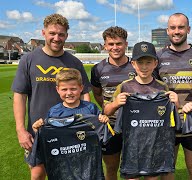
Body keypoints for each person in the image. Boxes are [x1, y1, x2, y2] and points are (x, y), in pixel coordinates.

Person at [11, 13, 91, 180]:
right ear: (43, 33)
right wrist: (20, 130)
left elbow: (84, 94)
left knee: (69, 174)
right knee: (37, 174)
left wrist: (85, 123)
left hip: (70, 131)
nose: (56, 38)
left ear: (66, 36)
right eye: (52, 33)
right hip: (38, 131)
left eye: (61, 34)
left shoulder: (74, 62)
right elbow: (20, 95)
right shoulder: (29, 60)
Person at [105, 41, 179, 180]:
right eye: (140, 63)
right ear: (133, 64)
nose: (144, 67)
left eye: (148, 62)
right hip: (132, 146)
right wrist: (115, 103)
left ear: (155, 63)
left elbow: (172, 118)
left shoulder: (162, 87)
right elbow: (107, 111)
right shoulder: (125, 86)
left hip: (154, 145)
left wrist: (176, 102)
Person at [153, 13, 192, 180]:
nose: (177, 31)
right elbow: (151, 89)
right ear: (167, 30)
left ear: (188, 29)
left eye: (181, 27)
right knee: (166, 171)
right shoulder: (157, 58)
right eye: (173, 27)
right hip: (167, 123)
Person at [29, 68, 109, 179]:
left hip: (89, 164)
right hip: (64, 164)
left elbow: (101, 132)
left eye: (73, 89)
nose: (69, 93)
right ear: (57, 89)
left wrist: (103, 120)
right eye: (64, 89)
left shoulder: (91, 108)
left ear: (81, 88)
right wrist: (38, 130)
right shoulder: (54, 112)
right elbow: (48, 136)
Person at [91, 26, 136, 180]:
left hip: (133, 124)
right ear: (105, 45)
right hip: (109, 124)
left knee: (132, 168)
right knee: (111, 168)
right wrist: (107, 108)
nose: (115, 47)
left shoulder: (136, 66)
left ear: (126, 44)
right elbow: (97, 94)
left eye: (119, 43)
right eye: (111, 44)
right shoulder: (98, 69)